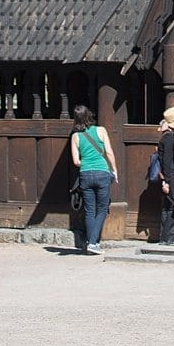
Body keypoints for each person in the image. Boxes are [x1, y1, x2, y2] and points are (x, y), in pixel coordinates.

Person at [70, 104, 118, 255]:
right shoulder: (101, 130)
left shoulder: (75, 136)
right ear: (89, 115)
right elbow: (109, 152)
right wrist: (114, 170)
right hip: (102, 172)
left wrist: (87, 163)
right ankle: (93, 243)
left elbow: (76, 161)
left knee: (89, 210)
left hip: (85, 174)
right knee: (102, 208)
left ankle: (92, 244)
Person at [157, 105, 174, 244]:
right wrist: (166, 181)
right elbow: (167, 161)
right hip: (171, 175)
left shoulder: (165, 137)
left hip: (169, 175)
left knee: (168, 206)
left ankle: (164, 236)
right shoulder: (170, 138)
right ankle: (168, 236)